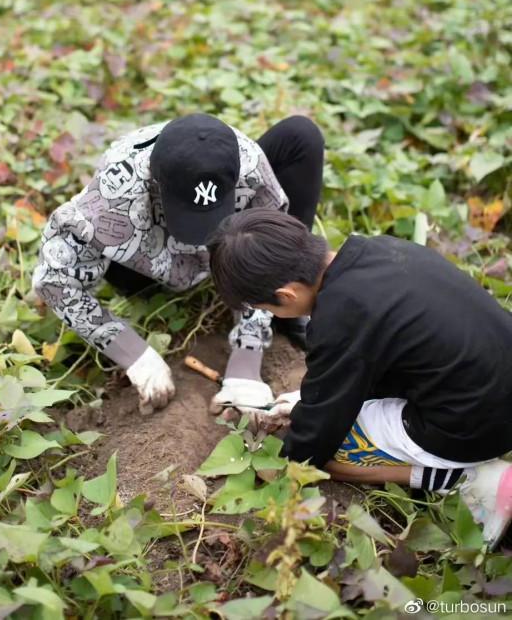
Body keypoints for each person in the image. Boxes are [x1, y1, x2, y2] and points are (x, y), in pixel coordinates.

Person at [206, 208, 512, 549]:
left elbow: (318, 433)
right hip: (493, 381)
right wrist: (306, 402)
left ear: (287, 295)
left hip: (476, 427)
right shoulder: (379, 249)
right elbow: (379, 358)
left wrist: (287, 463)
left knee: (334, 455)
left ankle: (464, 478)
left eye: (268, 309)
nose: (272, 314)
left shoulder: (340, 317)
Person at [33, 114, 324, 415]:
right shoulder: (115, 194)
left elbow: (270, 249)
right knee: (99, 256)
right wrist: (135, 355)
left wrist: (247, 357)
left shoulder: (249, 165)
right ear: (154, 185)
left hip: (232, 251)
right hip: (145, 266)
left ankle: (283, 307)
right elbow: (54, 278)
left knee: (300, 135)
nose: (200, 242)